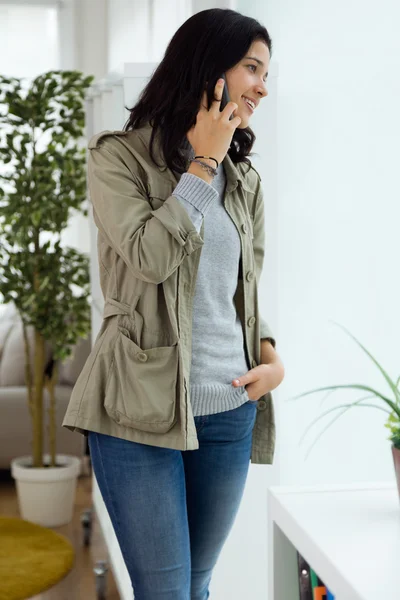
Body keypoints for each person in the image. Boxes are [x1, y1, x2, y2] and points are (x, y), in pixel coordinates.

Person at [62, 8, 285, 599]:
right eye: (252, 68)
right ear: (209, 67)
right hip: (138, 408)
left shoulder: (246, 180)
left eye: (267, 73)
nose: (264, 85)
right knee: (165, 592)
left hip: (229, 408)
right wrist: (202, 163)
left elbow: (246, 288)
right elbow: (149, 258)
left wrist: (270, 354)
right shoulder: (118, 159)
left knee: (197, 586)